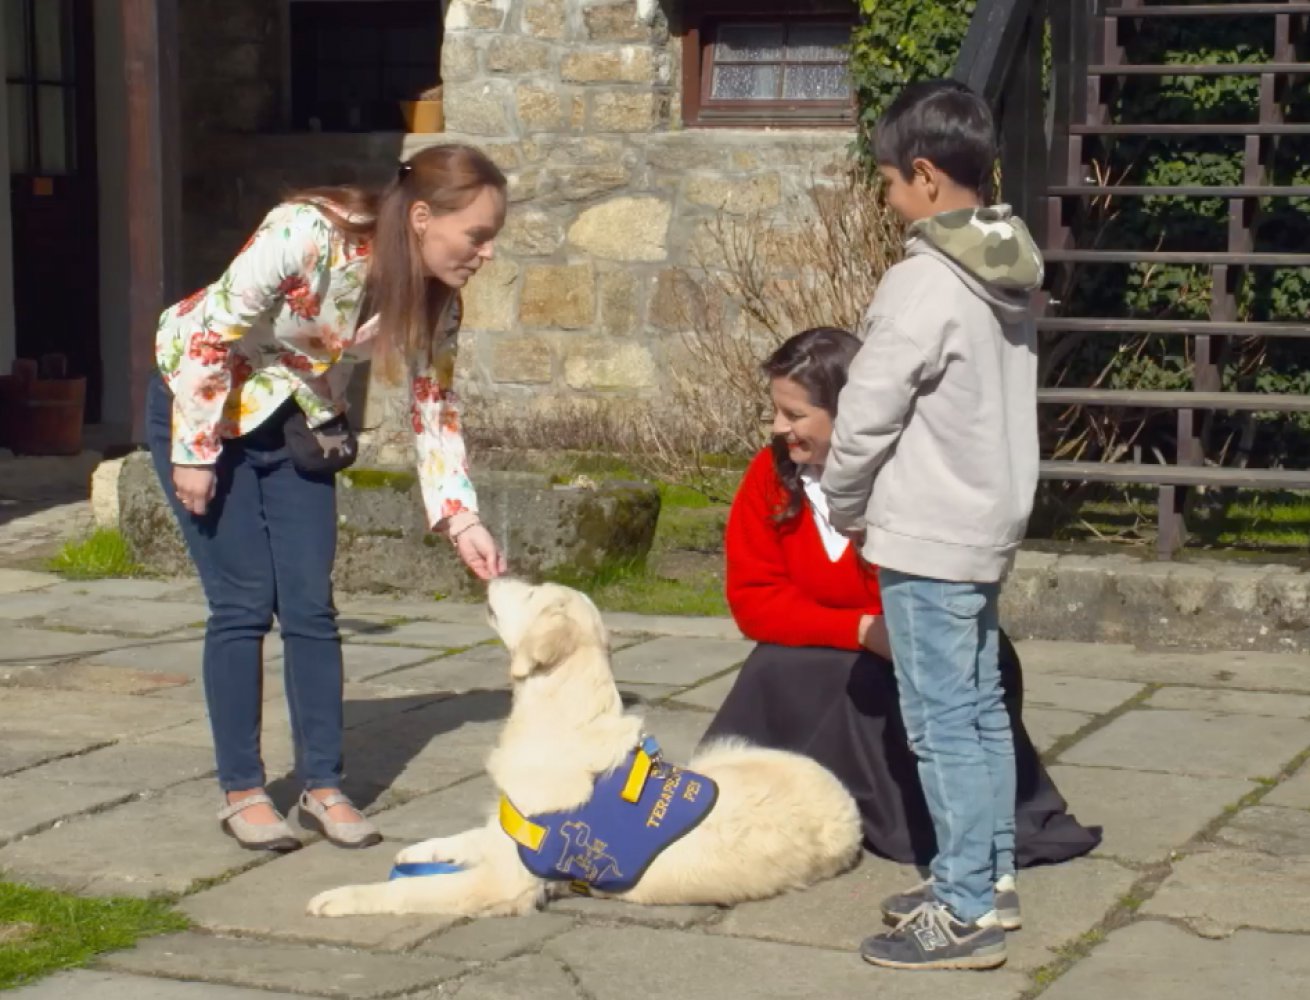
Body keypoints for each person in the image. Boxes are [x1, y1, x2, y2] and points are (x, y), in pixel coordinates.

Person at [147, 143, 509, 853]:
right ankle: (244, 791)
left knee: (311, 604)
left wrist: (460, 515)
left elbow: (434, 403)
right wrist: (194, 449)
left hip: (297, 425)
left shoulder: (437, 296)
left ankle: (323, 786)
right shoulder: (307, 231)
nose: (487, 252)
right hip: (200, 407)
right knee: (243, 602)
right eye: (478, 235)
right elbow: (212, 330)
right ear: (424, 217)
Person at [703, 326, 1098, 881]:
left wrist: (885, 633)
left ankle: (934, 826)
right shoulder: (769, 477)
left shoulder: (909, 479)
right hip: (850, 643)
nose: (778, 428)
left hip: (922, 643)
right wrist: (860, 631)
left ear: (848, 413)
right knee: (777, 669)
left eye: (794, 415)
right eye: (776, 412)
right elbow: (755, 602)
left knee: (897, 681)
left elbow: (932, 594)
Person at [818, 80, 1048, 970]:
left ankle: (963, 912)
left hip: (926, 531)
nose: (885, 198)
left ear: (922, 175)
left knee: (944, 723)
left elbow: (867, 409)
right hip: (983, 522)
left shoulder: (922, 280)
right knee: (980, 710)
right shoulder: (1007, 268)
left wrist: (844, 502)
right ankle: (987, 877)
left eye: (886, 181)